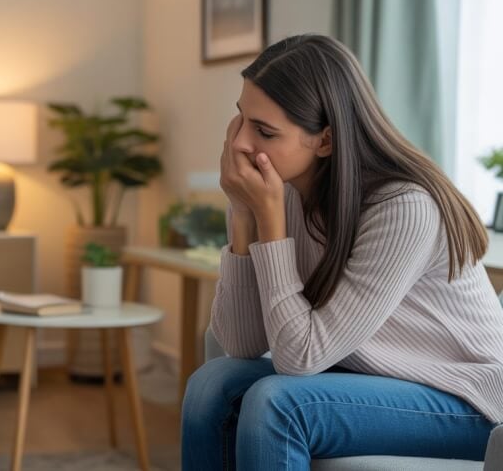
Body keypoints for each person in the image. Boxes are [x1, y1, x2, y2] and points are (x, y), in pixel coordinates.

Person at [181, 34, 503, 470]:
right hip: (380, 378)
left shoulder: (403, 207)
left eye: (265, 131)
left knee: (280, 405)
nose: (239, 143)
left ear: (326, 141)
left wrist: (270, 227)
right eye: (241, 118)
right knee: (212, 383)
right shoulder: (282, 194)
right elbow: (240, 344)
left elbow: (300, 359)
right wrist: (243, 215)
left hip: (469, 398)